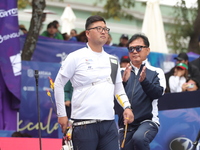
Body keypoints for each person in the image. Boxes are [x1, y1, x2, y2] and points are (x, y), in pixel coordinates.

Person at [54, 15, 134, 150]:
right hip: (83, 124)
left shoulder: (113, 60)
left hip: (108, 124)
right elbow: (58, 84)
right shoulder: (75, 57)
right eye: (98, 28)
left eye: (105, 28)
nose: (103, 31)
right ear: (87, 33)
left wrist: (127, 107)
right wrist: (62, 114)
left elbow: (118, 89)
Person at [116, 33, 166, 150]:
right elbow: (114, 99)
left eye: (138, 48)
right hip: (126, 124)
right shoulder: (121, 72)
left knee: (139, 138)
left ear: (147, 50)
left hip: (148, 121)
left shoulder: (156, 72)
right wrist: (123, 82)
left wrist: (144, 82)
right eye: (131, 49)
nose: (134, 51)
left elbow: (158, 93)